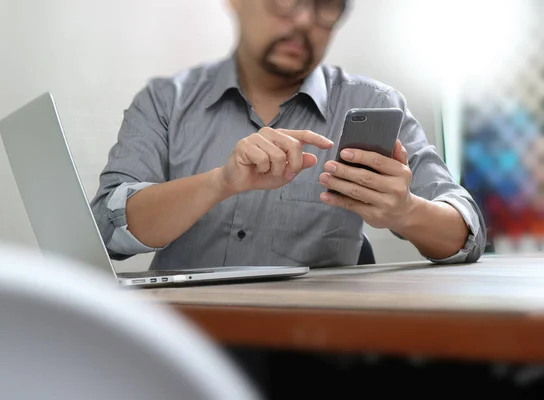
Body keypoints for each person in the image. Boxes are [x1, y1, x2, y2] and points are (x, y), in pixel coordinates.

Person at [90, 0, 486, 270]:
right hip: (186, 345)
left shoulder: (375, 103)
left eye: (325, 4)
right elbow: (105, 230)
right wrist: (220, 182)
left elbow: (467, 230)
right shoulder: (166, 101)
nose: (303, 20)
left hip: (314, 354)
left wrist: (407, 211)